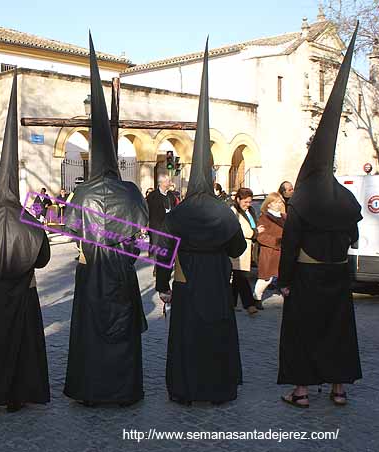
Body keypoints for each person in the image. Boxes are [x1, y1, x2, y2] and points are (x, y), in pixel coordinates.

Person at [278, 26, 362, 409]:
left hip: (309, 275)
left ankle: (301, 392)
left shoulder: (303, 199)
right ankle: (339, 390)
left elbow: (291, 242)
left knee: (302, 332)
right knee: (338, 331)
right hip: (338, 273)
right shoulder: (345, 198)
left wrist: (286, 281)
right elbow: (355, 238)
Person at [63, 35, 149, 407]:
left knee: (91, 331)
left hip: (91, 269)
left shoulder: (81, 195)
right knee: (122, 331)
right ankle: (124, 390)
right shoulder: (130, 192)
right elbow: (144, 233)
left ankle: (91, 390)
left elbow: (71, 231)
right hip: (121, 270)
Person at [163, 40, 247, 406]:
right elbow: (238, 247)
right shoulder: (223, 211)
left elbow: (165, 248)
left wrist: (162, 282)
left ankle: (185, 389)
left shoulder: (179, 212)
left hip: (185, 279)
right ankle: (217, 389)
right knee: (215, 332)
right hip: (214, 276)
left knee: (186, 334)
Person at [0, 73, 51, 413]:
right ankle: (16, 396)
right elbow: (43, 258)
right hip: (23, 294)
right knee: (21, 346)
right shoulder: (28, 219)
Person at [230, 188, 265, 314]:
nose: (248, 204)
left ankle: (231, 303)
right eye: (245, 202)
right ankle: (249, 304)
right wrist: (255, 232)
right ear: (238, 199)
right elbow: (239, 229)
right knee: (241, 276)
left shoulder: (250, 210)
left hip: (249, 247)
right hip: (239, 248)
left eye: (249, 202)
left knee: (237, 279)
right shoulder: (233, 211)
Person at [147, 174, 179, 298]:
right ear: (161, 183)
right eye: (167, 181)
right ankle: (160, 278)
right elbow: (147, 211)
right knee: (159, 252)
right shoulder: (152, 196)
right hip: (156, 228)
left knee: (167, 254)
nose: (170, 183)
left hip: (169, 229)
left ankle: (162, 275)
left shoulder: (171, 196)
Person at [254, 192, 286, 302]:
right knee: (265, 278)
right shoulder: (264, 218)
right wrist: (277, 242)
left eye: (280, 201)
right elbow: (261, 236)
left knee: (282, 276)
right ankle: (257, 297)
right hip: (269, 252)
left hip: (282, 252)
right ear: (269, 204)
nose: (279, 204)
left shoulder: (284, 217)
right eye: (276, 202)